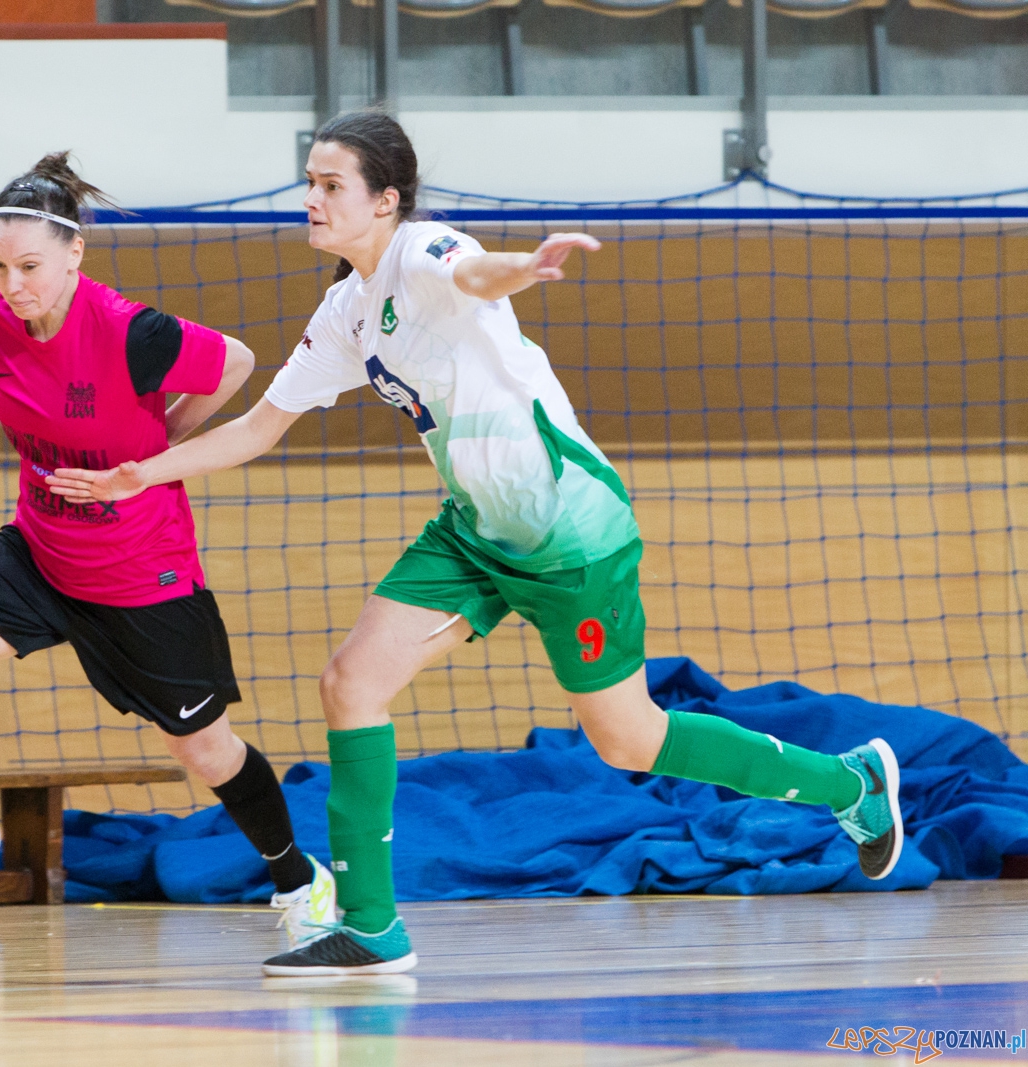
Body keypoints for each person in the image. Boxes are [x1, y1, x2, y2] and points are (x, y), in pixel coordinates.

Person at [45, 112, 903, 977]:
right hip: (473, 532)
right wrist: (140, 474)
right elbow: (260, 426)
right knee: (350, 682)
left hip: (568, 532)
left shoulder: (424, 252)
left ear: (386, 200)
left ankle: (852, 782)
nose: (312, 199)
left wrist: (525, 266)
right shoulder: (347, 311)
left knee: (628, 740)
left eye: (331, 185)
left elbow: (473, 273)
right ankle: (372, 927)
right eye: (309, 182)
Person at [0, 152, 336, 954]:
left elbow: (235, 360)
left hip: (141, 573)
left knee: (204, 749)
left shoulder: (129, 332)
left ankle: (300, 879)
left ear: (74, 255)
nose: (12, 284)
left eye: (29, 266)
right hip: (38, 552)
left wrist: (160, 448)